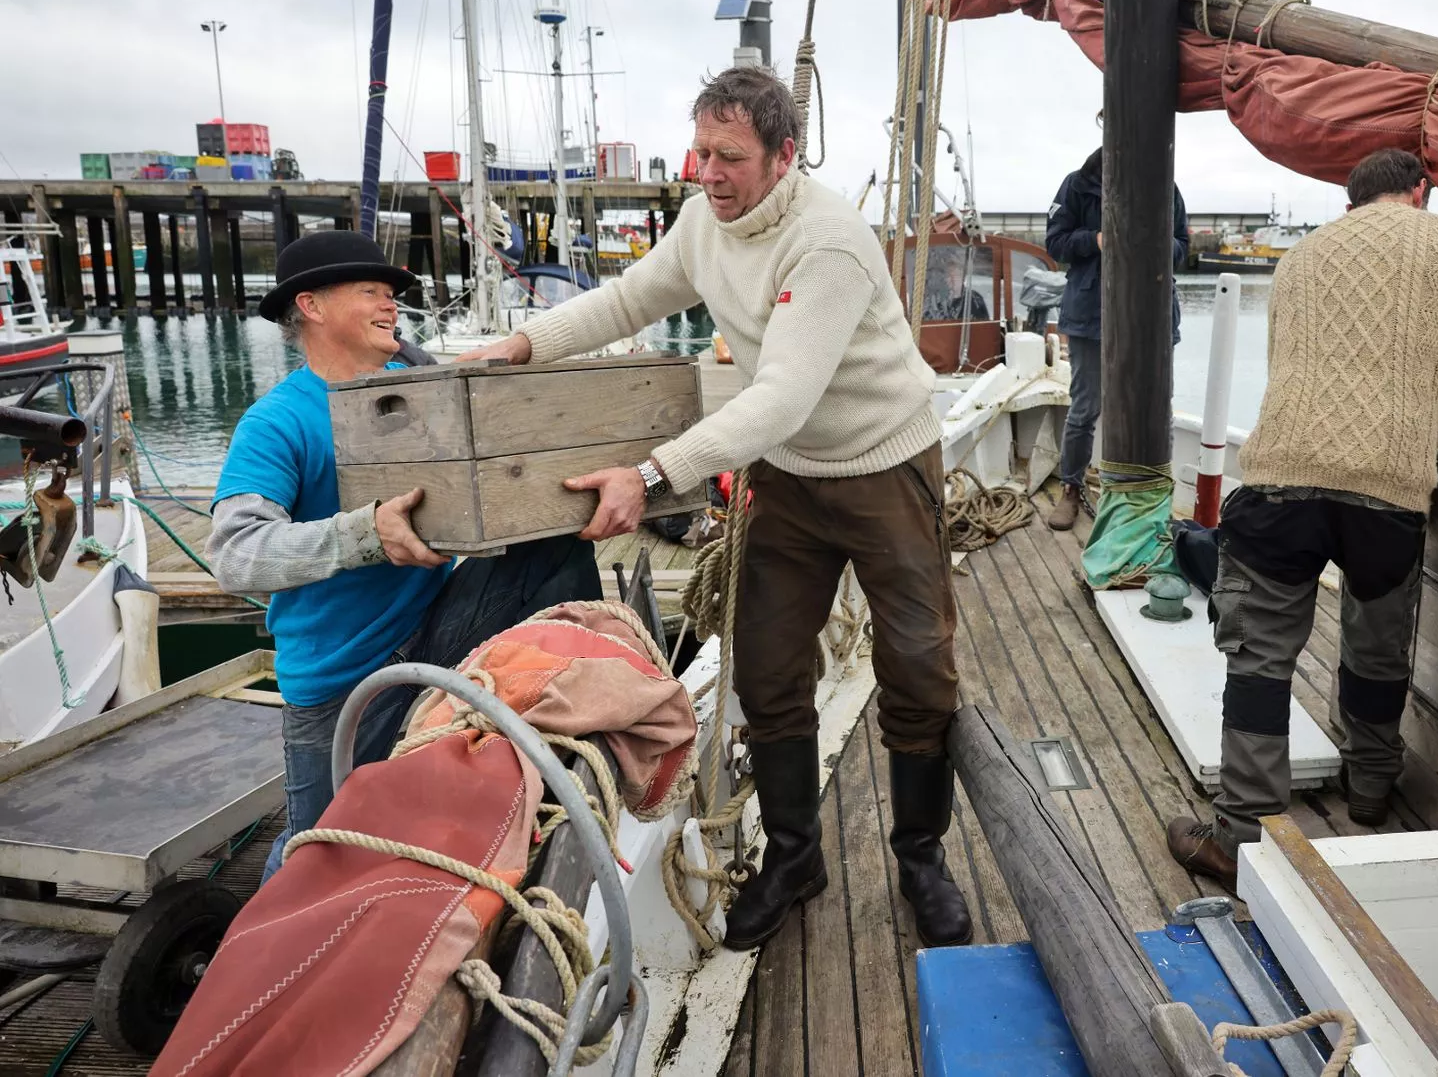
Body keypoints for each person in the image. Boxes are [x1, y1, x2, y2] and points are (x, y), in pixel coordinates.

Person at [458, 66, 972, 950]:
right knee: (767, 670)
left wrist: (650, 475)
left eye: (729, 156)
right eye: (698, 151)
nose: (707, 172)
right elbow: (630, 298)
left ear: (785, 158)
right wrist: (525, 342)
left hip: (884, 465)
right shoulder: (704, 220)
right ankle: (793, 854)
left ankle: (920, 856)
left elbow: (780, 395)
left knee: (919, 668)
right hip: (789, 481)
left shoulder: (829, 243)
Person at [1162, 148, 1438, 888]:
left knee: (1259, 660)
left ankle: (1240, 835)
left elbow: (1292, 369)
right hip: (1390, 488)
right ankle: (1369, 793)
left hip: (1282, 479)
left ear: (1351, 201)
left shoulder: (1301, 256)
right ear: (1421, 192)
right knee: (1375, 652)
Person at [209, 231, 600, 883]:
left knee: (555, 542)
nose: (391, 305)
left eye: (392, 294)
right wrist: (367, 535)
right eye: (371, 292)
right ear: (310, 305)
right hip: (342, 681)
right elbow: (236, 553)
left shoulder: (419, 386)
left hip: (434, 628)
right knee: (316, 863)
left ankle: (580, 734)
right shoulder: (276, 421)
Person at [1042, 147, 1188, 532]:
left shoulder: (1165, 189)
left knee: (1158, 409)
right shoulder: (1076, 185)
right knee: (1085, 407)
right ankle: (1071, 487)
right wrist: (1097, 240)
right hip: (1092, 314)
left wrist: (1156, 243)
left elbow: (1181, 249)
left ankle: (1153, 492)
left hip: (1151, 316)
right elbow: (1055, 244)